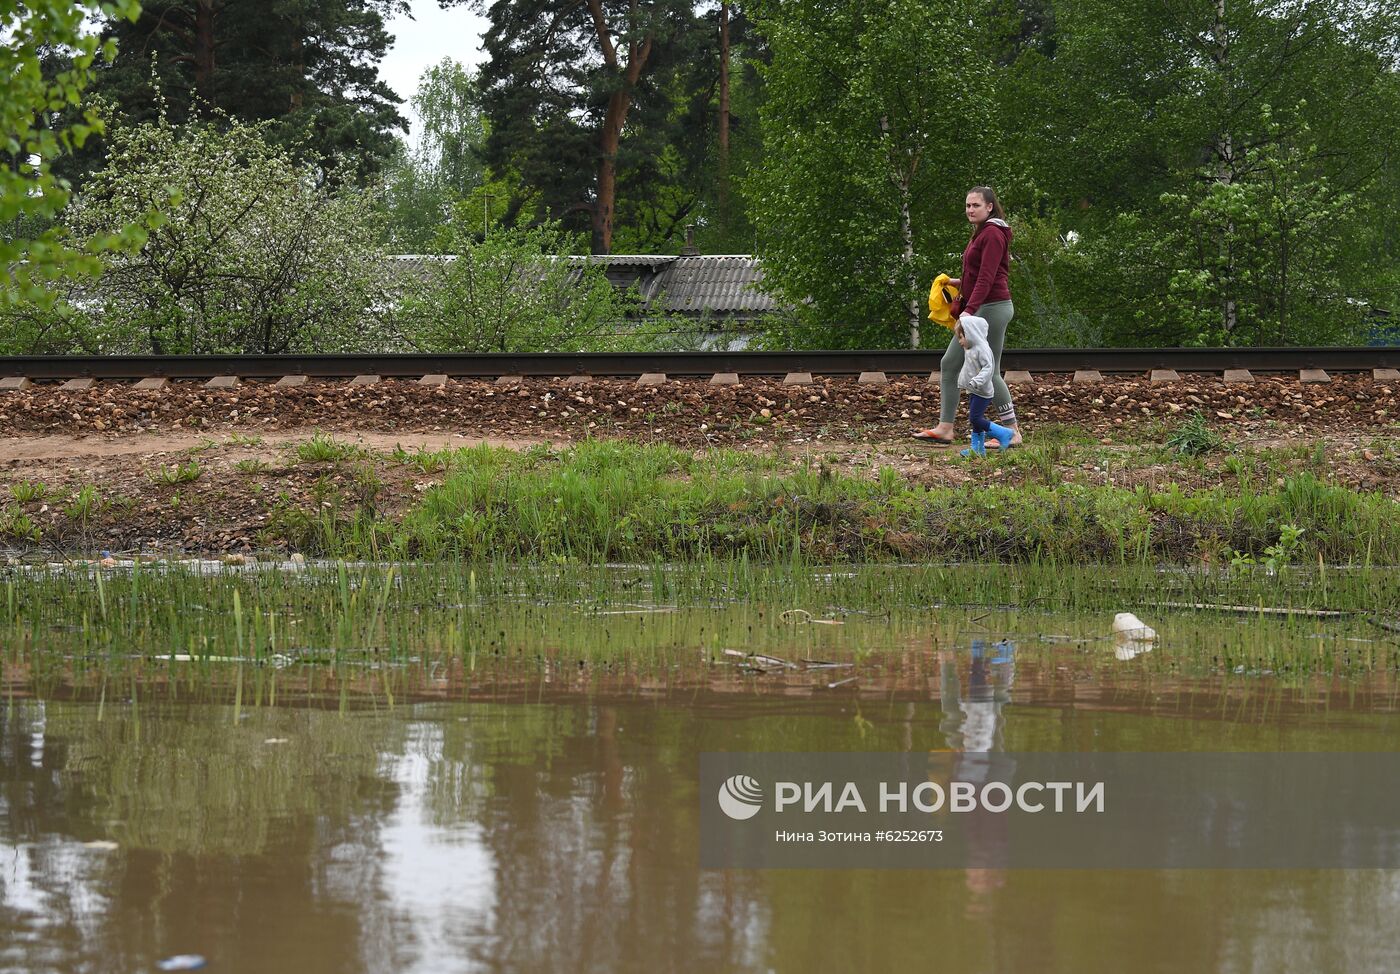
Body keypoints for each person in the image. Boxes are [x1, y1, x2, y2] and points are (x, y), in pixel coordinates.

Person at [914, 186, 1023, 447]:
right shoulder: (982, 233)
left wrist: (968, 313)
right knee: (950, 364)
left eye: (976, 205)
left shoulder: (994, 234)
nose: (970, 210)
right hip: (982, 307)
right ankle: (945, 427)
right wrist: (954, 282)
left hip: (992, 309)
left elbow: (988, 278)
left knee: (990, 370)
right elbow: (979, 275)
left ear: (989, 207)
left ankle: (1013, 432)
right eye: (967, 205)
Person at [953, 315, 1017, 457]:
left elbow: (988, 368)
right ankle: (978, 450)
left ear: (971, 334)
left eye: (961, 337)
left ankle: (1004, 433)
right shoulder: (971, 347)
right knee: (976, 421)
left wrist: (977, 381)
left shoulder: (982, 349)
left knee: (975, 418)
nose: (959, 341)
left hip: (982, 391)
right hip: (974, 390)